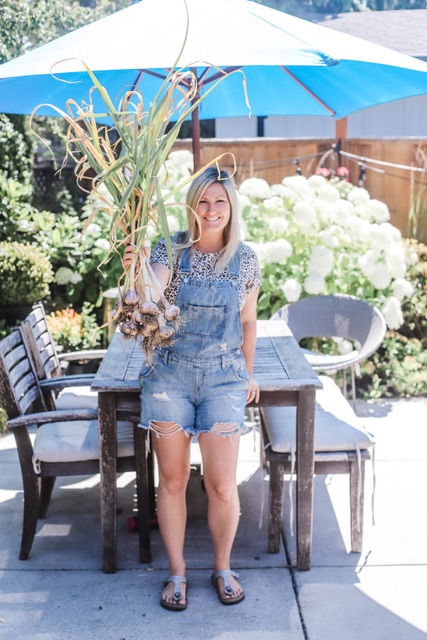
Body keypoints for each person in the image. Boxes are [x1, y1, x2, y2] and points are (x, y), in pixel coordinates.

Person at [124, 166, 261, 611]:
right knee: (174, 481)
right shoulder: (170, 248)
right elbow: (156, 289)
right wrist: (139, 271)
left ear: (232, 207)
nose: (212, 209)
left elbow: (247, 322)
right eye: (203, 200)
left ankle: (223, 568)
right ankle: (177, 573)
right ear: (191, 205)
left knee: (222, 485)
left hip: (224, 377)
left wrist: (248, 371)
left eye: (220, 201)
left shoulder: (246, 259)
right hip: (169, 378)